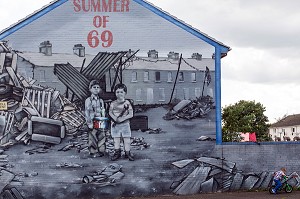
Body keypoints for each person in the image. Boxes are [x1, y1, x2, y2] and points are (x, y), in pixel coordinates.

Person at [109, 83, 134, 161]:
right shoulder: (113, 103)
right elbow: (110, 112)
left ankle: (127, 152)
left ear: (125, 93)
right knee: (116, 139)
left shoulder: (127, 103)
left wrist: (122, 119)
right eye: (117, 92)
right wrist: (115, 119)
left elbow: (131, 114)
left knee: (127, 139)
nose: (119, 94)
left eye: (121, 92)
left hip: (125, 124)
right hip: (115, 124)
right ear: (115, 93)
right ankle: (117, 153)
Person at [85, 80, 106, 157]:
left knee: (102, 135)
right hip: (92, 120)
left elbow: (103, 110)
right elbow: (87, 112)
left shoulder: (101, 100)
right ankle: (93, 151)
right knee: (93, 136)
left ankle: (101, 150)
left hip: (100, 120)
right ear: (90, 89)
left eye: (98, 87)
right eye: (94, 87)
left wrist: (103, 118)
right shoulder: (88, 100)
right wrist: (89, 123)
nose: (96, 89)